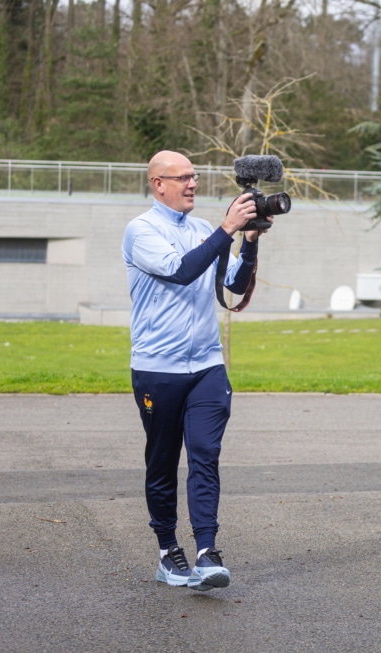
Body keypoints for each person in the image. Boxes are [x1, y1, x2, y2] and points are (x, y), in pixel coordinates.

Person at [122, 150, 269, 591]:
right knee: (163, 462)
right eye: (182, 177)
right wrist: (227, 228)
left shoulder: (204, 229)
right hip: (158, 369)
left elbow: (231, 287)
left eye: (195, 176)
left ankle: (207, 551)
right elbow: (182, 271)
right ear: (157, 184)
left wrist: (250, 241)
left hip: (206, 366)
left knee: (205, 455)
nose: (192, 184)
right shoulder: (141, 230)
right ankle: (169, 551)